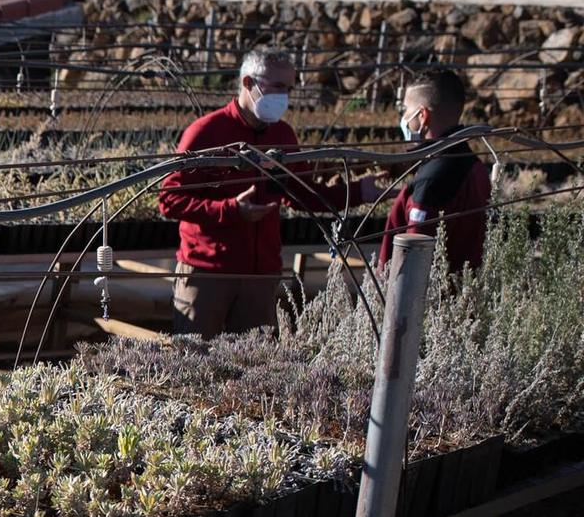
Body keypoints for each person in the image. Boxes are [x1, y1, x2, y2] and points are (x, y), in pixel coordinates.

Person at [157, 48, 374, 337]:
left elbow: (302, 194)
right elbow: (169, 200)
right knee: (197, 361)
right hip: (208, 273)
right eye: (278, 87)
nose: (284, 96)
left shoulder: (282, 135)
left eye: (289, 88)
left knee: (255, 368)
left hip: (260, 276)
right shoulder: (207, 132)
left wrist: (360, 191)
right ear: (248, 83)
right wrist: (231, 209)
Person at [376, 67, 490, 274]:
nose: (402, 118)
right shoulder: (475, 167)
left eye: (405, 110)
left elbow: (411, 263)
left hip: (426, 302)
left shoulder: (433, 180)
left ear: (423, 115)